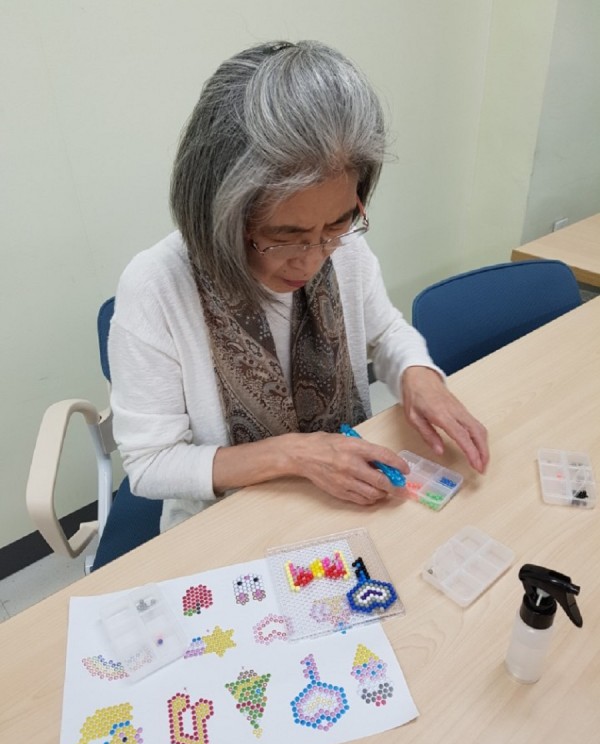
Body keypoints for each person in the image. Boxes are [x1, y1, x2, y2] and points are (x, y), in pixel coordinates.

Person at [97, 40, 488, 565]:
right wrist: (297, 454)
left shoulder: (343, 250)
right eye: (284, 237)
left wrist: (420, 377)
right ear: (217, 213)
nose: (312, 259)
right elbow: (151, 465)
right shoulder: (157, 286)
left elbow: (387, 332)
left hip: (351, 500)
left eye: (336, 225)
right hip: (227, 528)